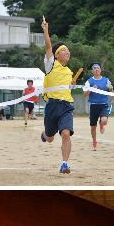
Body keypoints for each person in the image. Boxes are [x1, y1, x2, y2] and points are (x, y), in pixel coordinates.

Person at [40, 15, 76, 174]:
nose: (67, 52)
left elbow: (65, 89)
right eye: (63, 50)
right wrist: (46, 30)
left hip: (66, 106)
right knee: (50, 138)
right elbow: (48, 46)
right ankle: (45, 134)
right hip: (52, 106)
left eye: (68, 50)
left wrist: (72, 86)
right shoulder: (50, 65)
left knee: (66, 133)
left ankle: (64, 164)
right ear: (56, 55)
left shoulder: (69, 71)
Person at [84, 63, 114, 151]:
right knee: (93, 127)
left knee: (104, 120)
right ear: (92, 71)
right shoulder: (89, 81)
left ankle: (101, 124)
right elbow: (85, 94)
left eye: (98, 68)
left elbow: (111, 89)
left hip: (103, 104)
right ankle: (94, 142)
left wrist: (113, 98)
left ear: (100, 70)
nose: (97, 69)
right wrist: (91, 88)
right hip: (93, 105)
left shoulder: (105, 80)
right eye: (95, 68)